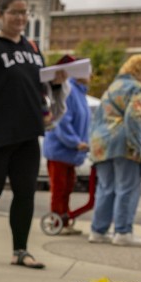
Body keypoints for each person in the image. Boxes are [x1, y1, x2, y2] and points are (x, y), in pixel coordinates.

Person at [0, 0, 69, 270]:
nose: (21, 18)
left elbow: (41, 88)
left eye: (25, 13)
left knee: (26, 193)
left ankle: (20, 250)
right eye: (15, 12)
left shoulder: (33, 48)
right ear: (0, 14)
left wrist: (56, 83)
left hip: (28, 132)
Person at [87, 54, 141, 246]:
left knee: (105, 188)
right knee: (127, 187)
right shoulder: (137, 87)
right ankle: (123, 232)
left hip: (101, 143)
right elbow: (134, 116)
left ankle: (98, 230)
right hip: (123, 142)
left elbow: (97, 119)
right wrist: (138, 144)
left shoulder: (112, 88)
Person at [43, 54, 91, 235]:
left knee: (68, 186)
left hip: (70, 152)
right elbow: (62, 120)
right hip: (60, 150)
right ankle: (57, 220)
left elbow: (82, 121)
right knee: (59, 187)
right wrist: (75, 142)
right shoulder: (69, 90)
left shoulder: (81, 93)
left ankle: (64, 218)